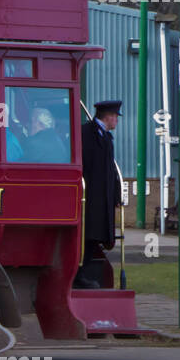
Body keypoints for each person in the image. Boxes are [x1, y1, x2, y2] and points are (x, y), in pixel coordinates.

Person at [76, 100, 123, 288]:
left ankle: (83, 272)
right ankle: (79, 274)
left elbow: (110, 169)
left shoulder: (106, 137)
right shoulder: (87, 133)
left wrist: (116, 194)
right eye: (115, 117)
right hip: (91, 197)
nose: (116, 121)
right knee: (88, 235)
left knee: (96, 236)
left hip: (102, 197)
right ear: (108, 117)